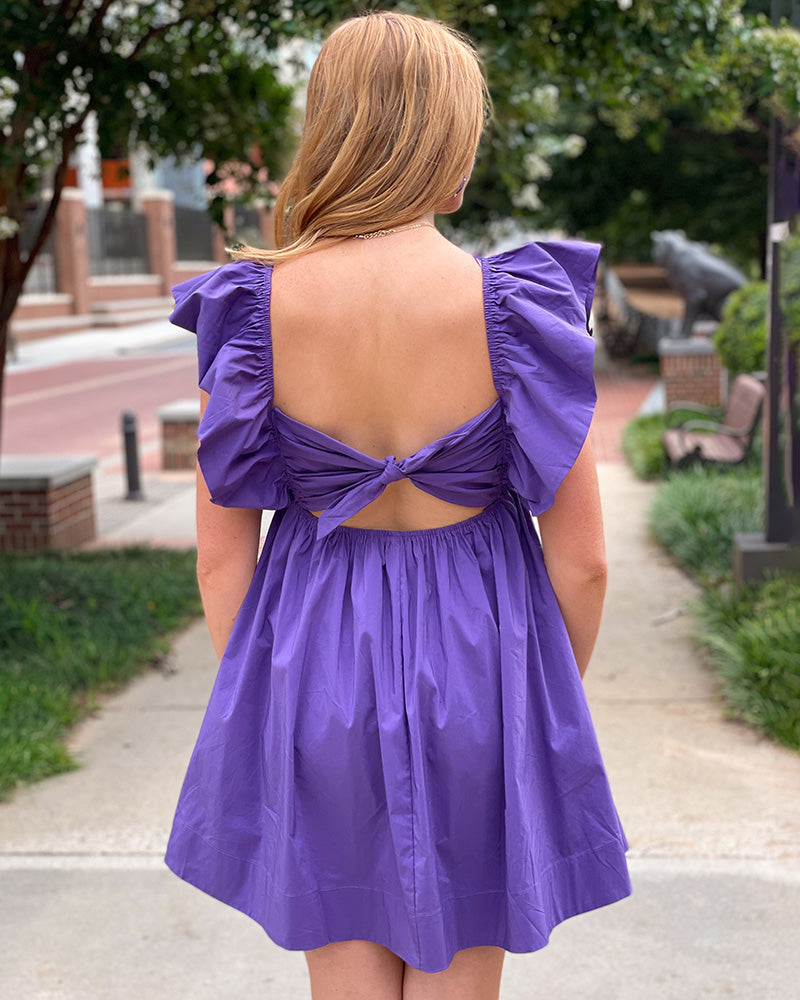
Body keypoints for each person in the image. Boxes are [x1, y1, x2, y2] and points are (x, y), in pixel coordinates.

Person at [165, 11, 631, 1000]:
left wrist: (270, 698)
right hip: (484, 666)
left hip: (312, 664)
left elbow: (219, 556)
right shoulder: (518, 308)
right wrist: (541, 695)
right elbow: (583, 561)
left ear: (328, 130)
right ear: (450, 144)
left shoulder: (250, 311)